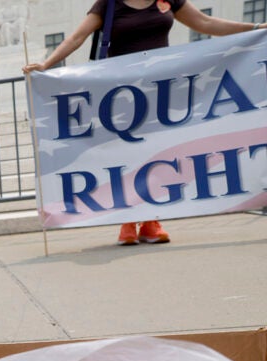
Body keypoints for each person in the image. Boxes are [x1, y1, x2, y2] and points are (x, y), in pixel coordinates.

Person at [23, 0, 266, 246]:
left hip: (163, 93)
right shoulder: (109, 4)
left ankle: (151, 221)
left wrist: (256, 28)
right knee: (127, 154)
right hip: (121, 95)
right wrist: (46, 65)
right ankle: (128, 220)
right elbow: (77, 37)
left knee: (155, 154)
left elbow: (206, 23)